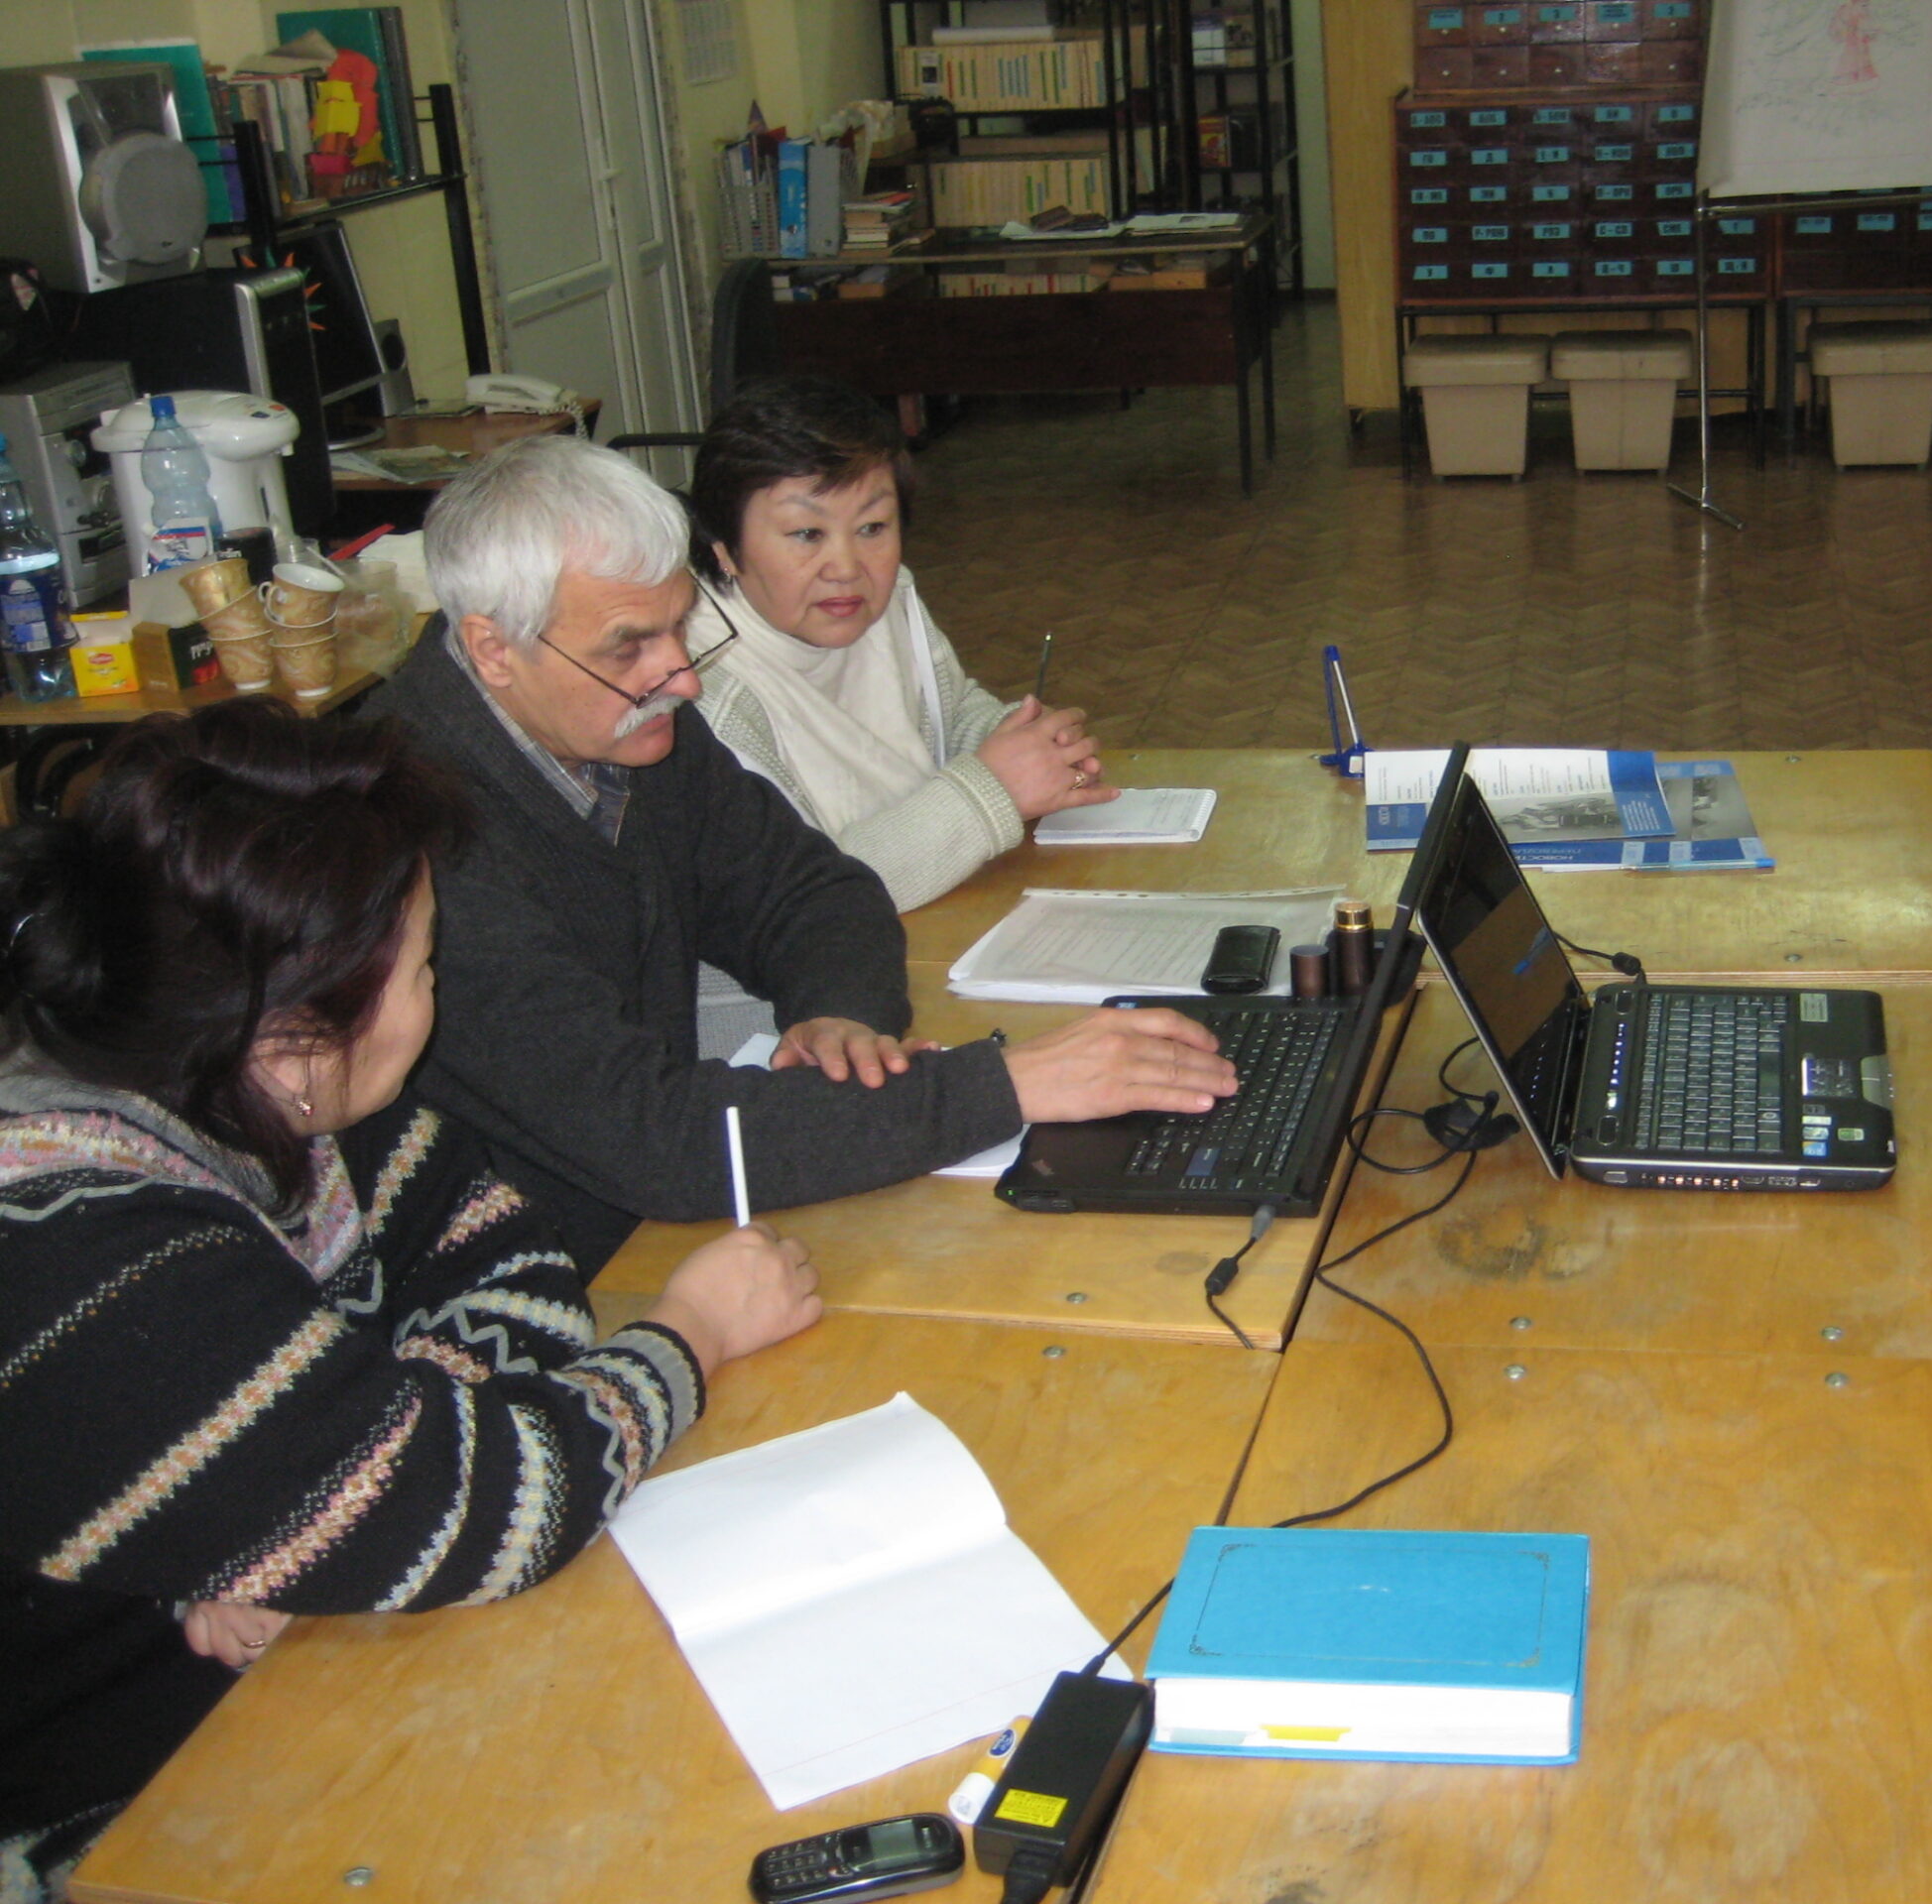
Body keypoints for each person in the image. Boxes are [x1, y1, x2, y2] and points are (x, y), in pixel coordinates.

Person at [0, 703, 822, 1901]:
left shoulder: (264, 1087)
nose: (435, 991)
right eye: (426, 965)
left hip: (293, 1675)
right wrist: (688, 1333)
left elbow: (512, 1269)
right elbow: (497, 1502)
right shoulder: (79, 1249)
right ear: (298, 1029)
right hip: (125, 1800)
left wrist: (323, 1499)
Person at [370, 433, 1234, 1276]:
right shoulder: (414, 841)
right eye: (629, 645)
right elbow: (655, 1141)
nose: (683, 676)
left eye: (681, 627)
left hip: (662, 1220)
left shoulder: (634, 723)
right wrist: (1006, 1088)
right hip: (538, 1281)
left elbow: (814, 889)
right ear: (492, 649)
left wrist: (838, 1014)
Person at [687, 373, 1118, 910]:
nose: (846, 569)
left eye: (872, 527)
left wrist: (1022, 744)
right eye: (806, 534)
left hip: (939, 907)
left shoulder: (888, 601)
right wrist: (994, 789)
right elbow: (804, 897)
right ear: (724, 546)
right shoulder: (697, 685)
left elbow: (947, 713)